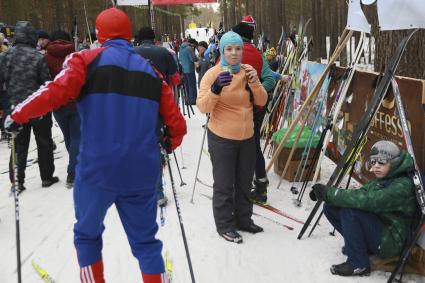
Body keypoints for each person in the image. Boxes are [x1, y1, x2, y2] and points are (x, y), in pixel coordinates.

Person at [4, 8, 186, 282]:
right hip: (141, 171)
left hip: (96, 170)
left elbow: (54, 91)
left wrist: (18, 114)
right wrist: (167, 144)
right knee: (146, 242)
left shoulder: (85, 60)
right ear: (128, 34)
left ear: (99, 34)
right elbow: (177, 125)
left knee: (87, 236)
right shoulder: (152, 73)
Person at [197, 31, 268, 243]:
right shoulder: (212, 74)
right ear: (222, 51)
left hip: (247, 136)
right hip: (221, 138)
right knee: (224, 184)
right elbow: (203, 106)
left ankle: (244, 220)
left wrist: (255, 83)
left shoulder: (248, 72)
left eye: (238, 48)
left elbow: (262, 100)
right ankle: (225, 225)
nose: (234, 53)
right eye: (229, 49)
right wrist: (216, 88)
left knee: (245, 182)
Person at [310, 140, 418, 276]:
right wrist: (327, 195)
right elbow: (360, 194)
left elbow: (369, 201)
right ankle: (359, 247)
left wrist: (329, 193)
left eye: (382, 162)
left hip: (392, 240)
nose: (376, 167)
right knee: (331, 207)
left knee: (351, 212)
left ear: (394, 162)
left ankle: (358, 263)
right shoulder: (385, 178)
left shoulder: (402, 186)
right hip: (381, 226)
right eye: (373, 162)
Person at [0, 21, 58, 193]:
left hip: (15, 108)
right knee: (44, 142)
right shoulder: (37, 57)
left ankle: (17, 180)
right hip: (37, 106)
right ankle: (47, 176)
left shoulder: (5, 57)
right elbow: (46, 83)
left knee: (18, 145)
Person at [135, 26, 180, 207]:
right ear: (154, 39)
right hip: (160, 102)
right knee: (155, 143)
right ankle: (158, 192)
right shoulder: (163, 52)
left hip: (136, 104)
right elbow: (175, 76)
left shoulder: (131, 52)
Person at [232, 20, 275, 203]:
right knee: (254, 145)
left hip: (234, 110)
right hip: (256, 110)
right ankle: (261, 188)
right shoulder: (259, 55)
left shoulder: (228, 53)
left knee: (234, 148)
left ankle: (239, 188)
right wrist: (255, 94)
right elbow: (270, 81)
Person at [44, 30, 79, 188]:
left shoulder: (45, 58)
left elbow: (45, 82)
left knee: (69, 138)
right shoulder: (75, 55)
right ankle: (73, 173)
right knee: (77, 138)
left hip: (58, 104)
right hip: (75, 101)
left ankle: (74, 168)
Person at [179, 38, 198, 105]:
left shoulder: (181, 48)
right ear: (192, 43)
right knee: (192, 85)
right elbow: (193, 59)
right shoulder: (189, 48)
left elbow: (180, 58)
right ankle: (193, 100)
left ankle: (187, 100)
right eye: (194, 45)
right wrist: (197, 57)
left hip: (184, 69)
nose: (194, 47)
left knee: (186, 85)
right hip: (190, 69)